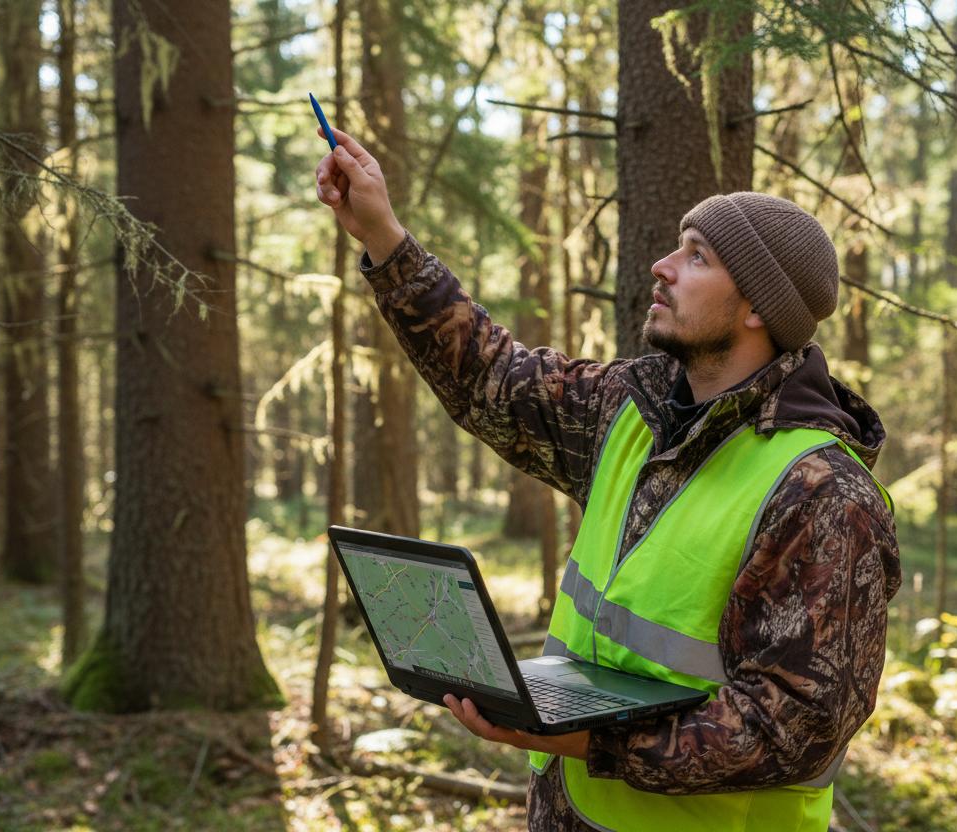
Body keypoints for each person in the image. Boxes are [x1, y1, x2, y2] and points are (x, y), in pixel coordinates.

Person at [315, 128, 900, 832]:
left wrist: (590, 740)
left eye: (696, 255)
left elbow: (796, 728)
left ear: (756, 309)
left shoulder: (822, 493)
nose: (661, 266)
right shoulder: (633, 409)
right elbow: (493, 380)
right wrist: (383, 235)